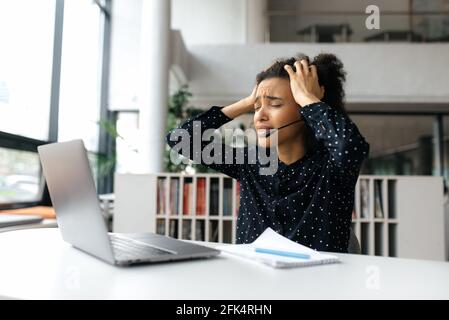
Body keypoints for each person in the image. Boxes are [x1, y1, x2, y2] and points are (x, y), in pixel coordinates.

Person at [166, 53, 369, 253]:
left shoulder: (333, 166)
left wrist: (308, 98)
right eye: (256, 108)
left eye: (275, 104)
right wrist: (246, 102)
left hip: (317, 283)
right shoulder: (253, 161)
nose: (259, 116)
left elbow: (349, 146)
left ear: (306, 109)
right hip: (254, 282)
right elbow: (180, 139)